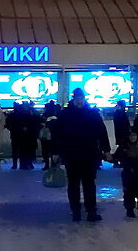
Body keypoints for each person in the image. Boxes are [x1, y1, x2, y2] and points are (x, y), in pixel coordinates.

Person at [54, 87, 111, 222]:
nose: (79, 100)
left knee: (88, 184)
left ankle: (89, 211)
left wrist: (106, 150)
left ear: (83, 98)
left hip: (86, 154)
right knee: (76, 184)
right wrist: (56, 151)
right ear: (74, 99)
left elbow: (102, 132)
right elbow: (58, 135)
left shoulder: (70, 114)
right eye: (77, 98)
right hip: (75, 154)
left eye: (81, 98)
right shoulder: (70, 114)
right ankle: (78, 211)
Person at [114, 130, 138, 218]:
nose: (132, 137)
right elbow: (117, 158)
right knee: (128, 192)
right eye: (131, 135)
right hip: (128, 173)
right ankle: (129, 210)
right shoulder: (123, 147)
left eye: (134, 135)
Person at [18, 101, 41, 170]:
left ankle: (26, 163)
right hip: (30, 135)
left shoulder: (21, 114)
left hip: (27, 135)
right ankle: (26, 163)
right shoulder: (32, 114)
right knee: (28, 150)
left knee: (26, 150)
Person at [40, 101, 60, 170]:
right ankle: (54, 163)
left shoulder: (44, 117)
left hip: (46, 138)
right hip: (54, 137)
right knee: (54, 151)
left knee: (45, 151)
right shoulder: (57, 117)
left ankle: (47, 164)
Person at [112, 100, 130, 166]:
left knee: (122, 146)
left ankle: (116, 159)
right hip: (122, 133)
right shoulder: (121, 113)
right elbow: (124, 124)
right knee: (122, 147)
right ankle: (115, 158)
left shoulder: (117, 113)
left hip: (120, 133)